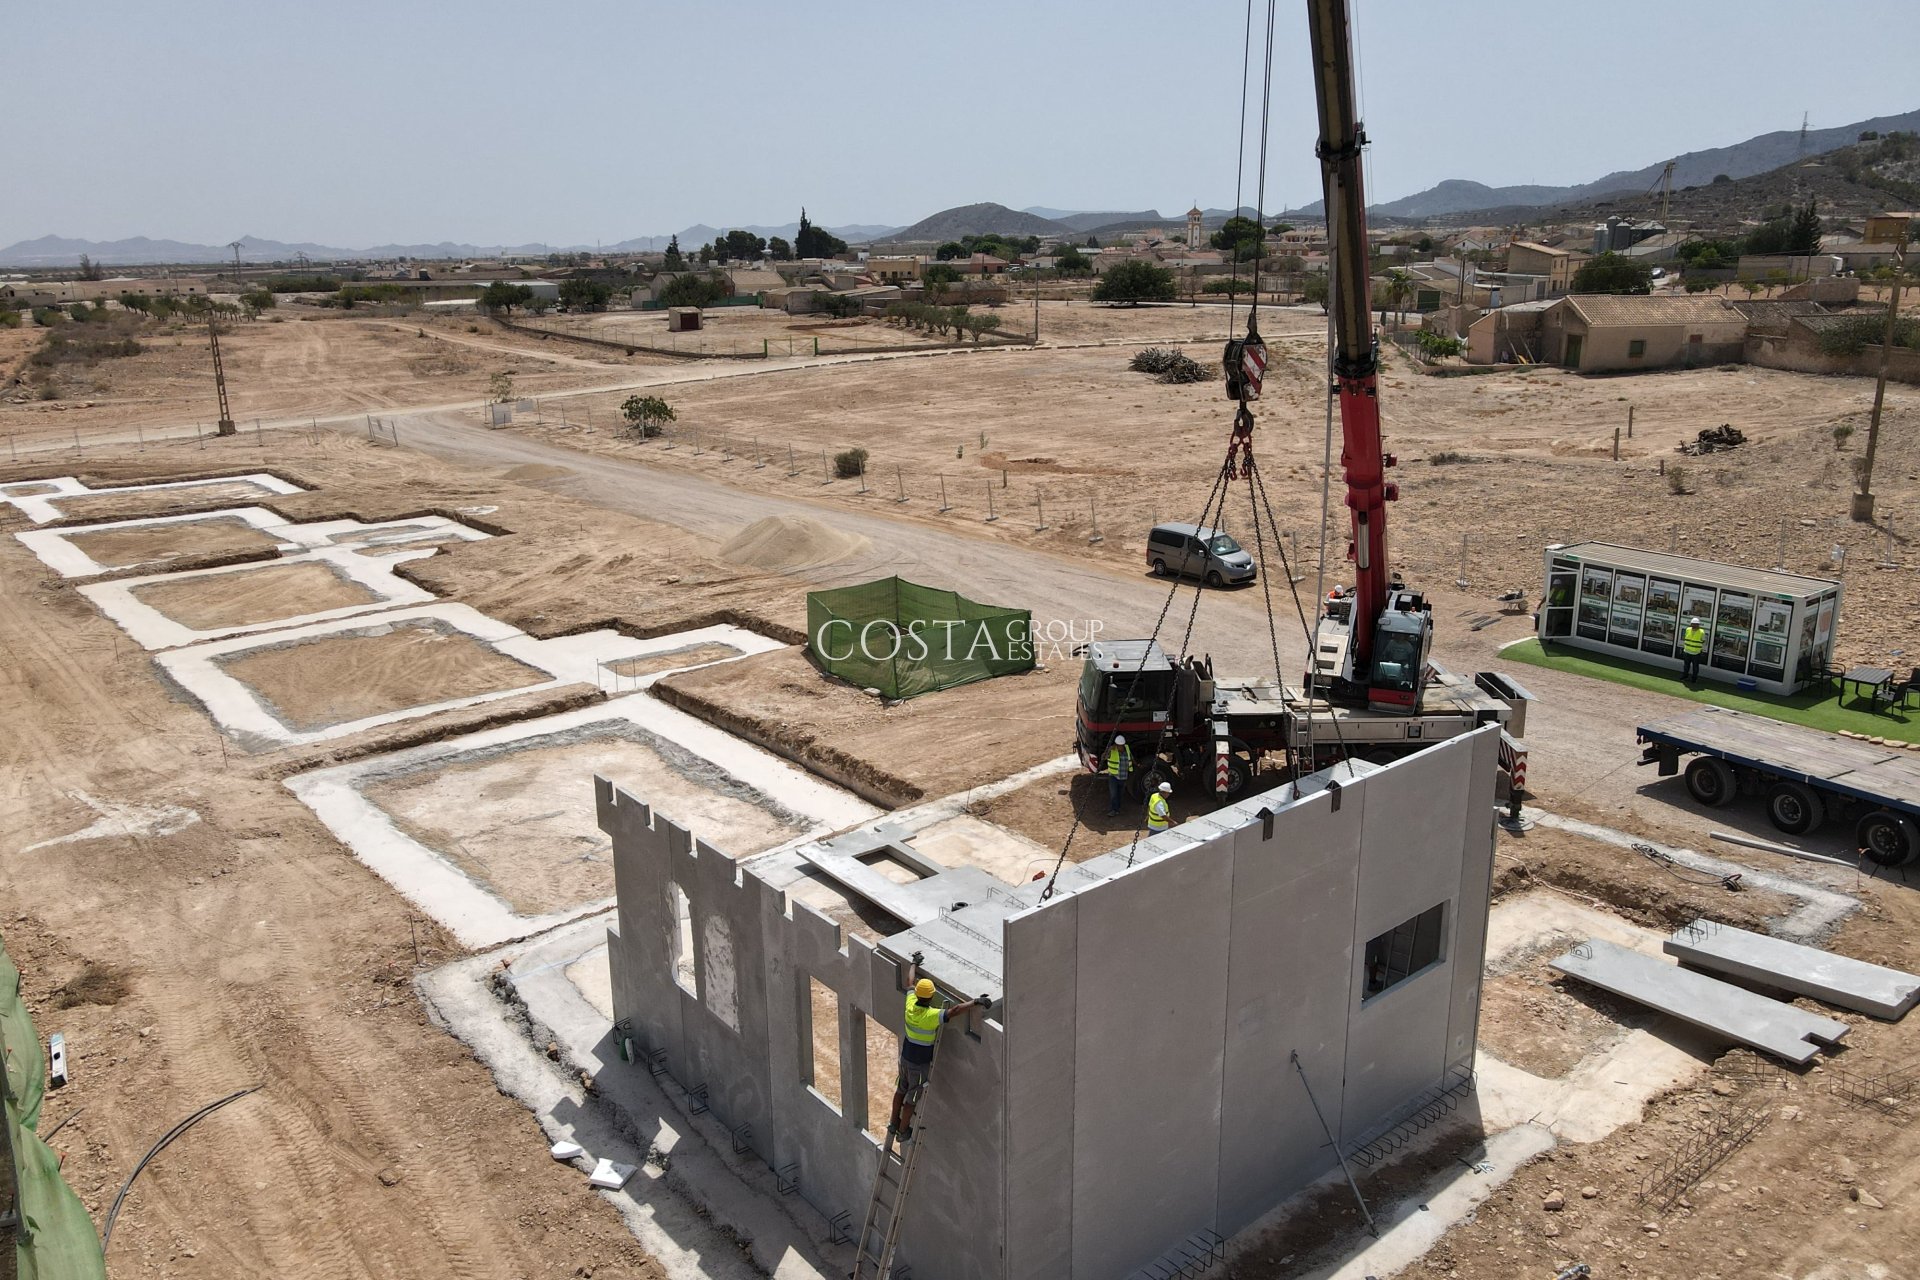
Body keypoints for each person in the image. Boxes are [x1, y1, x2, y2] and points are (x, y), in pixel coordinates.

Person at [889, 951, 991, 1141]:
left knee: (901, 1090)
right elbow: (955, 1010)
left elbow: (909, 983)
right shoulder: (931, 1016)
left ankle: (893, 1123)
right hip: (918, 1065)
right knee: (911, 1099)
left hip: (905, 1059)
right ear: (931, 997)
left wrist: (913, 964)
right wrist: (976, 1001)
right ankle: (903, 1131)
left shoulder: (910, 1005)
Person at [1104, 733, 1132, 817]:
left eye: (1121, 745)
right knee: (1114, 794)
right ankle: (1114, 810)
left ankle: (1117, 808)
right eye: (1118, 745)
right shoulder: (1112, 750)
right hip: (1114, 776)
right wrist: (1109, 750)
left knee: (1120, 793)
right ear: (1116, 744)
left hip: (1123, 776)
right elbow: (1104, 757)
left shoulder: (1127, 748)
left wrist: (1136, 764)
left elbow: (1131, 757)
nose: (1120, 747)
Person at [1681, 615, 1707, 683]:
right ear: (1691, 624)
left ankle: (1694, 679)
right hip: (1687, 651)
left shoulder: (1701, 632)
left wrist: (1701, 649)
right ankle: (1685, 676)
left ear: (1698, 625)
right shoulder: (1688, 629)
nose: (1694, 625)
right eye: (1693, 624)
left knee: (1695, 667)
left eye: (1695, 624)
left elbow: (1704, 641)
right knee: (1686, 666)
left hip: (1696, 653)